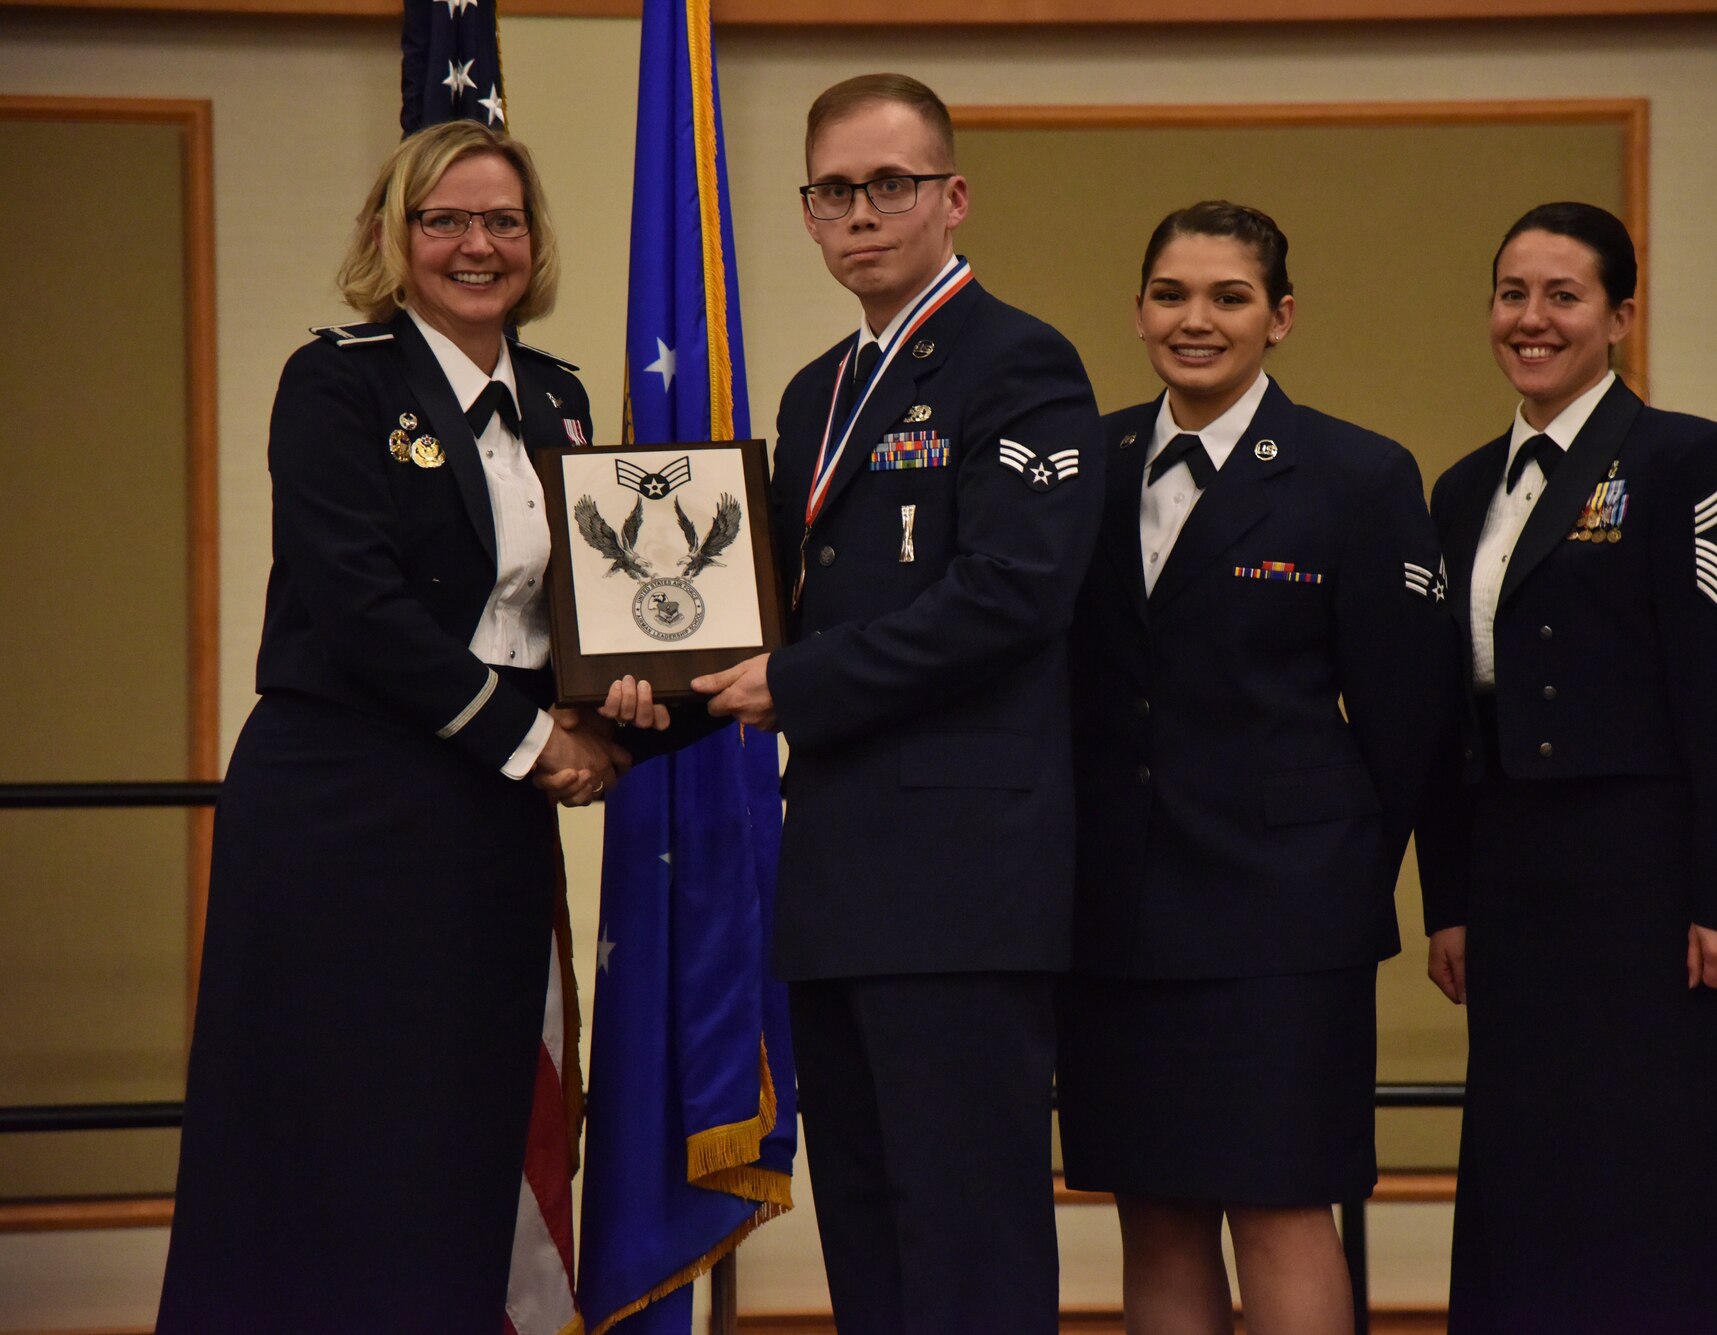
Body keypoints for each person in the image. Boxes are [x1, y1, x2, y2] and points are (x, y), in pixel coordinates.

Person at [157, 120, 680, 1332]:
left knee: (462, 1128)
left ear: (535, 242)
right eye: (442, 220)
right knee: (330, 1135)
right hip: (345, 808)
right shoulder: (337, 379)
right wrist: (538, 740)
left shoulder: (558, 395)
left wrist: (631, 709)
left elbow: (580, 610)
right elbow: (359, 607)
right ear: (393, 240)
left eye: (502, 221)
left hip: (489, 817)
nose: (475, 245)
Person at [687, 74, 1102, 1332]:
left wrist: (795, 681)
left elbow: (1011, 594)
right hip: (839, 867)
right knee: (865, 1222)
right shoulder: (818, 391)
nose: (859, 214)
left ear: (950, 197)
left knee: (964, 1228)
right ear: (807, 213)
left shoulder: (1020, 360)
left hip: (963, 877)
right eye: (832, 192)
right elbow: (767, 603)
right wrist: (635, 699)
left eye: (888, 186)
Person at [1417, 201, 1717, 1332]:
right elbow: (1448, 723)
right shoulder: (1461, 492)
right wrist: (1446, 901)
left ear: (1619, 316)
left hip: (1655, 890)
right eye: (1512, 294)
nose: (1530, 319)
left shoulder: (1688, 459)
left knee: (1672, 1173)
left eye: (1561, 296)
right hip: (1515, 891)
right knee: (1534, 1170)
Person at [1055, 201, 1457, 1335]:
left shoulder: (1356, 475)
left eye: (1227, 297)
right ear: (1136, 311)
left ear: (1278, 318)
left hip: (1279, 921)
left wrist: (1329, 875)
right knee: (1155, 1209)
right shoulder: (1086, 461)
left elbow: (1403, 720)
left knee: (1280, 1207)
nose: (1196, 320)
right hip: (1116, 916)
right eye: (1171, 295)